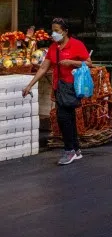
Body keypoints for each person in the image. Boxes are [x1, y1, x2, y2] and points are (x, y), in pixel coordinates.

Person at [22, 18, 91, 166]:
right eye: (52, 30)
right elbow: (43, 68)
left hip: (72, 86)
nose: (54, 34)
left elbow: (89, 63)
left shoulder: (76, 45)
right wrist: (30, 85)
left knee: (63, 117)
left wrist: (71, 62)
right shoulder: (53, 48)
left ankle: (69, 150)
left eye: (57, 31)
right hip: (58, 87)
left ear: (65, 31)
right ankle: (76, 149)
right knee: (69, 117)